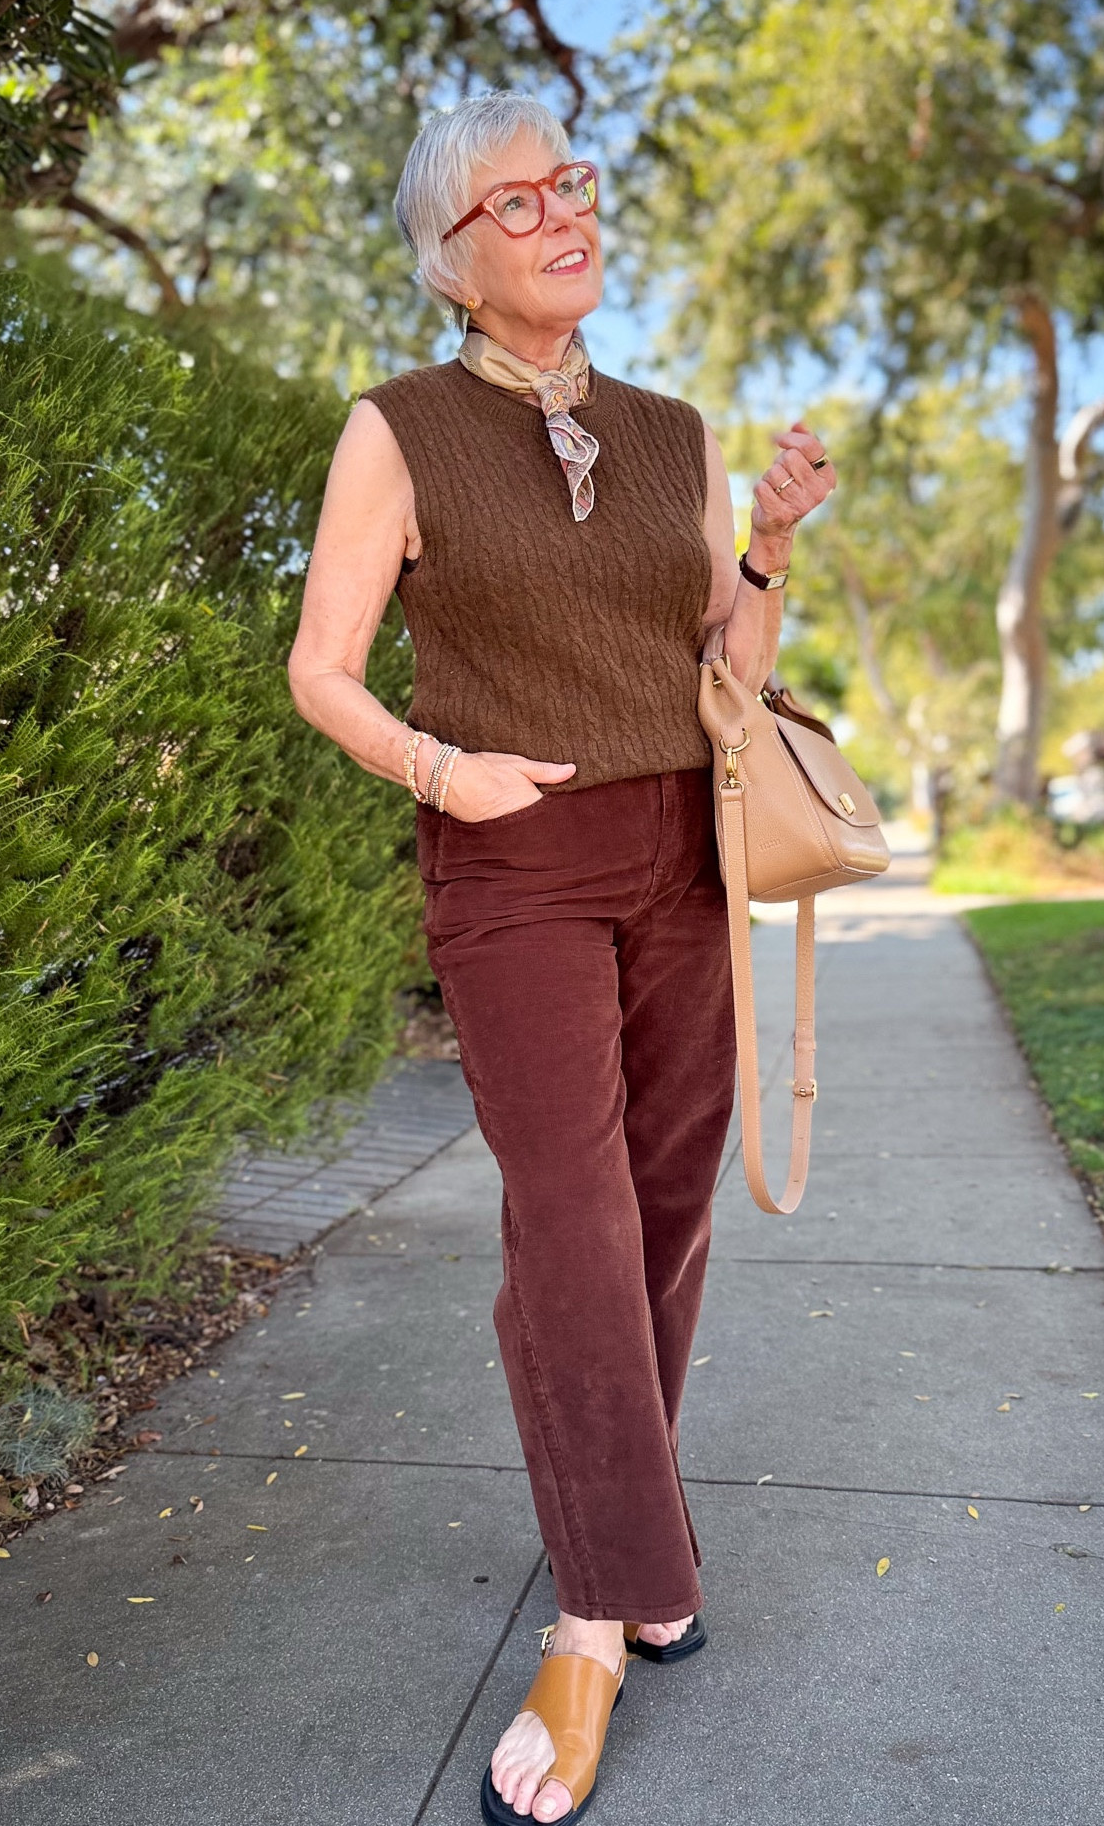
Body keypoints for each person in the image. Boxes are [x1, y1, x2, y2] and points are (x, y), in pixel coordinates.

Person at [288, 90, 834, 1823]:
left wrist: (766, 543)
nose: (563, 216)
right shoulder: (399, 431)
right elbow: (323, 668)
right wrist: (446, 772)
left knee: (664, 1213)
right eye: (518, 203)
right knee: (575, 1221)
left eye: (572, 185)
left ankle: (634, 1533)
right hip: (511, 863)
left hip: (681, 853)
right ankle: (597, 1610)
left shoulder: (671, 431)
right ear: (452, 257)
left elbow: (722, 665)